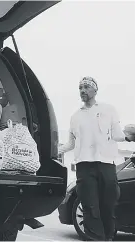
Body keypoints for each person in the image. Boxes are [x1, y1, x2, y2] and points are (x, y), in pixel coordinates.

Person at [58, 76, 134, 241]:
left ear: (95, 90)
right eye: (80, 88)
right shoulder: (75, 117)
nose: (83, 90)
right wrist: (54, 150)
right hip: (84, 167)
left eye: (86, 87)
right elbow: (71, 144)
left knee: (109, 205)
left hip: (106, 165)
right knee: (89, 208)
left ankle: (107, 238)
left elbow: (117, 134)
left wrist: (129, 137)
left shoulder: (109, 110)